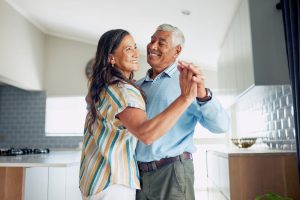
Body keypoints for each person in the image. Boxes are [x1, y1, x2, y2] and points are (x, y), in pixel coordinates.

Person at [79, 29, 198, 200]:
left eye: (135, 47)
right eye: (128, 49)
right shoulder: (122, 90)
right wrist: (185, 98)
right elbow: (146, 133)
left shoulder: (106, 87)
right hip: (113, 182)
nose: (136, 53)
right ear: (111, 58)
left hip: (97, 180)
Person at [135, 24, 230, 200]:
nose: (152, 46)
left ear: (176, 50)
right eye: (151, 40)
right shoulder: (137, 86)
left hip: (171, 171)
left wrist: (203, 95)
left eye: (161, 43)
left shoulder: (186, 82)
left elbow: (222, 126)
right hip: (138, 175)